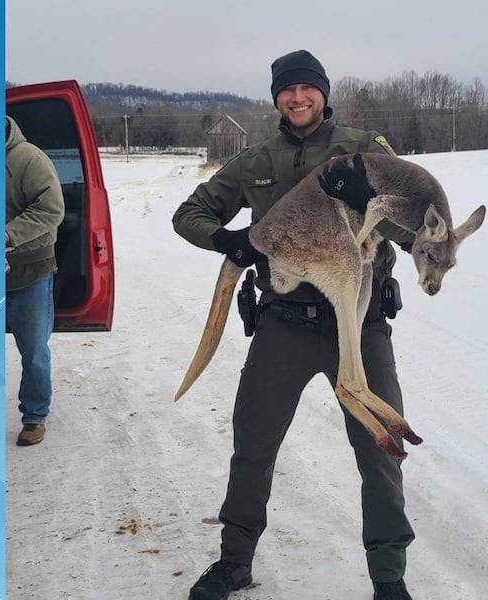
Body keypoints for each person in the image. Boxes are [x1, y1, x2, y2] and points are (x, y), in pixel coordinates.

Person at [173, 50, 417, 600]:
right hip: (283, 322)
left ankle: (389, 578)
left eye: (308, 89)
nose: (298, 98)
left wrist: (372, 200)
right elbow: (189, 212)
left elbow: (411, 232)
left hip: (359, 324)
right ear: (276, 98)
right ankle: (234, 562)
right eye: (287, 90)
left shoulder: (363, 149)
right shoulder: (255, 159)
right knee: (253, 443)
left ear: (324, 94)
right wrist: (226, 239)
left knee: (379, 449)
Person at [5, 115, 65, 447]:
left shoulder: (28, 158)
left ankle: (34, 416)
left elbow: (51, 209)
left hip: (29, 271)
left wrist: (6, 236)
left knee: (34, 350)